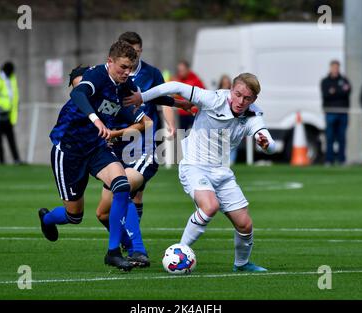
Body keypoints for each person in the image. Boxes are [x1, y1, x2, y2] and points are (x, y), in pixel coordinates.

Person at [124, 73, 275, 272]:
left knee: (245, 225)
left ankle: (242, 264)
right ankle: (179, 251)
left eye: (247, 98)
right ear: (231, 90)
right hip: (194, 166)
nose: (240, 101)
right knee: (210, 206)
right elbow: (176, 86)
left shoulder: (254, 115)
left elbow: (268, 142)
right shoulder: (212, 99)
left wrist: (266, 144)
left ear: (253, 99)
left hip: (222, 172)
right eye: (238, 94)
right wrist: (142, 97)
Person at [38, 41, 149, 271]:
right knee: (74, 215)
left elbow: (150, 100)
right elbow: (79, 94)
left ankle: (113, 252)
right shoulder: (97, 76)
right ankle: (47, 219)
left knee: (121, 186)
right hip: (69, 150)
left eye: (130, 68)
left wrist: (180, 102)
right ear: (110, 62)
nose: (127, 72)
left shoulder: (124, 84)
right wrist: (96, 120)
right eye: (123, 67)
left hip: (97, 147)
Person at [95, 32, 182, 262]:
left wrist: (171, 125)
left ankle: (137, 248)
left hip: (144, 143)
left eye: (137, 51)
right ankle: (127, 241)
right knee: (103, 212)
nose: (134, 56)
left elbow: (163, 99)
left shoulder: (151, 73)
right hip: (115, 147)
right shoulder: (108, 77)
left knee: (127, 190)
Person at [0, 61, 23, 165]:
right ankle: (1, 161)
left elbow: (13, 94)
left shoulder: (11, 77)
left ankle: (16, 159)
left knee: (11, 137)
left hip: (8, 114)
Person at [320, 60, 351, 166]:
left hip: (342, 112)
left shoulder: (344, 80)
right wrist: (339, 91)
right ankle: (329, 160)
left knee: (342, 137)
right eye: (334, 67)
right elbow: (326, 94)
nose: (335, 69)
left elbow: (347, 91)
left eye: (337, 67)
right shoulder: (325, 81)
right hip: (330, 112)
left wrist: (334, 91)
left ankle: (342, 160)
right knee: (330, 137)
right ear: (330, 68)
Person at [174, 60, 205, 130]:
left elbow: (203, 93)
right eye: (179, 70)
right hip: (182, 113)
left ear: (188, 69)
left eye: (182, 70)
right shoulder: (176, 79)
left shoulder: (195, 79)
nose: (180, 73)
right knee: (183, 133)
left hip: (194, 112)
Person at [218, 75, 238, 164]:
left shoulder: (234, 95)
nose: (226, 85)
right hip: (221, 122)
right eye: (224, 83)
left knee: (232, 142)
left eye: (227, 83)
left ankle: (231, 161)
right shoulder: (217, 94)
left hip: (232, 122)